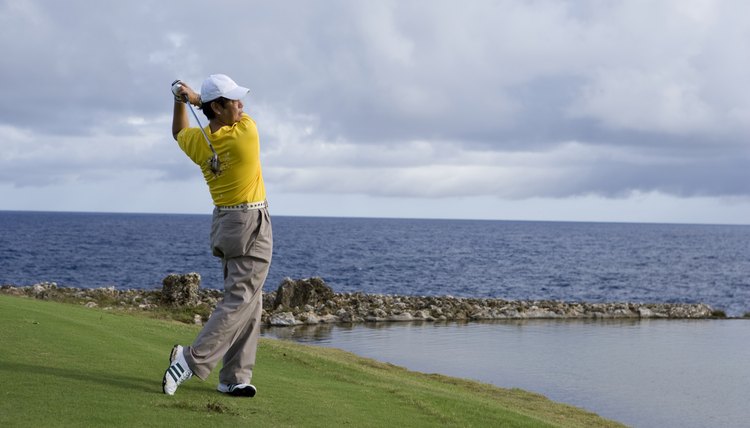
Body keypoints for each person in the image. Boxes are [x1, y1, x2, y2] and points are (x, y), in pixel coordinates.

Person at [162, 74, 273, 397]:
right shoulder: (245, 133)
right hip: (251, 221)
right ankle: (190, 359)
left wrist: (180, 101)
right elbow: (235, 118)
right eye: (234, 101)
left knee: (251, 300)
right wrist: (195, 98)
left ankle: (234, 376)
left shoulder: (200, 143)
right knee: (240, 299)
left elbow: (179, 131)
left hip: (225, 223)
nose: (241, 105)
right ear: (217, 106)